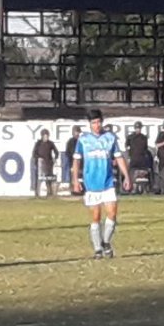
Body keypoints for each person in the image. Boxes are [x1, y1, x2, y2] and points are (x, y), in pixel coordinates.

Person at [72, 109, 131, 259]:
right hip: (91, 184)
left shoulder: (110, 138)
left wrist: (126, 176)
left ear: (102, 122)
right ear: (89, 124)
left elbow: (119, 158)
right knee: (96, 217)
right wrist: (75, 180)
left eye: (98, 122)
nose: (96, 125)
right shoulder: (83, 140)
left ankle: (106, 242)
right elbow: (76, 160)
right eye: (93, 123)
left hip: (108, 182)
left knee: (112, 213)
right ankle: (98, 249)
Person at [30, 129, 59, 197]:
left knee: (48, 178)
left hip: (49, 163)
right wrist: (39, 158)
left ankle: (49, 192)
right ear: (42, 136)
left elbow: (56, 152)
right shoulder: (38, 143)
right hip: (40, 164)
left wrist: (55, 158)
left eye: (47, 136)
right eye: (45, 136)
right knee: (39, 178)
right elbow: (34, 153)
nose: (46, 137)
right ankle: (37, 193)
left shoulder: (50, 143)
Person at [124, 122, 152, 191]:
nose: (138, 129)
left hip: (141, 159)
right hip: (133, 158)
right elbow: (126, 147)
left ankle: (146, 188)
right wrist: (128, 156)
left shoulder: (144, 137)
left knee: (145, 172)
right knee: (131, 172)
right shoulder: (130, 137)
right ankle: (130, 187)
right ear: (134, 128)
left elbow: (145, 149)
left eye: (139, 128)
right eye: (137, 128)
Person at [63, 125, 82, 194]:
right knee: (73, 176)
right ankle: (74, 190)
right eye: (75, 132)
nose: (77, 133)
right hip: (73, 162)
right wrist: (72, 161)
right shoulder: (70, 141)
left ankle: (82, 190)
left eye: (78, 132)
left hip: (82, 163)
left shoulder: (82, 141)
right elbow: (68, 152)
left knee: (82, 177)